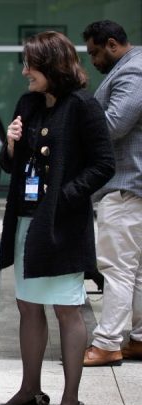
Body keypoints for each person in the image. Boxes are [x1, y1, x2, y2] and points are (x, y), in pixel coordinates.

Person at [0, 31, 114, 405]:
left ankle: (70, 401)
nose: (25, 71)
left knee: (66, 308)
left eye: (31, 64)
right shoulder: (28, 103)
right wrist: (10, 146)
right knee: (27, 305)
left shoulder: (83, 106)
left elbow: (103, 165)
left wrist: (66, 196)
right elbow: (12, 167)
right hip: (27, 221)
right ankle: (30, 392)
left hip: (62, 224)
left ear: (52, 65)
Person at [81, 20, 142, 367]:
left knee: (116, 269)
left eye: (95, 52)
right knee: (135, 271)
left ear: (113, 44)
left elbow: (113, 124)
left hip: (125, 186)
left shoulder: (133, 72)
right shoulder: (131, 67)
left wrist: (75, 128)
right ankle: (138, 339)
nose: (93, 60)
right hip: (133, 186)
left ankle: (107, 344)